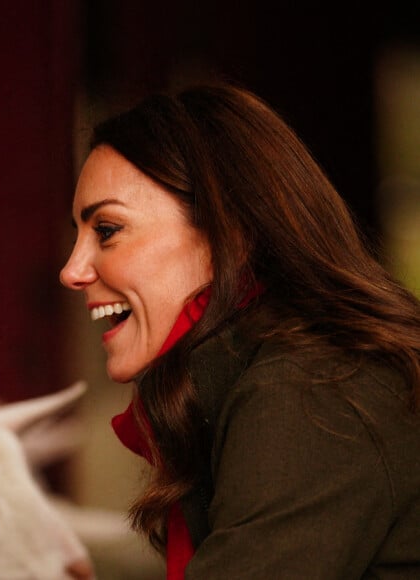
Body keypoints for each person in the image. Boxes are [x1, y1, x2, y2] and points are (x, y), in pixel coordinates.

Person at [60, 81, 420, 579]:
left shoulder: (312, 391)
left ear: (229, 231)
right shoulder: (276, 377)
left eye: (107, 231)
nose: (72, 270)